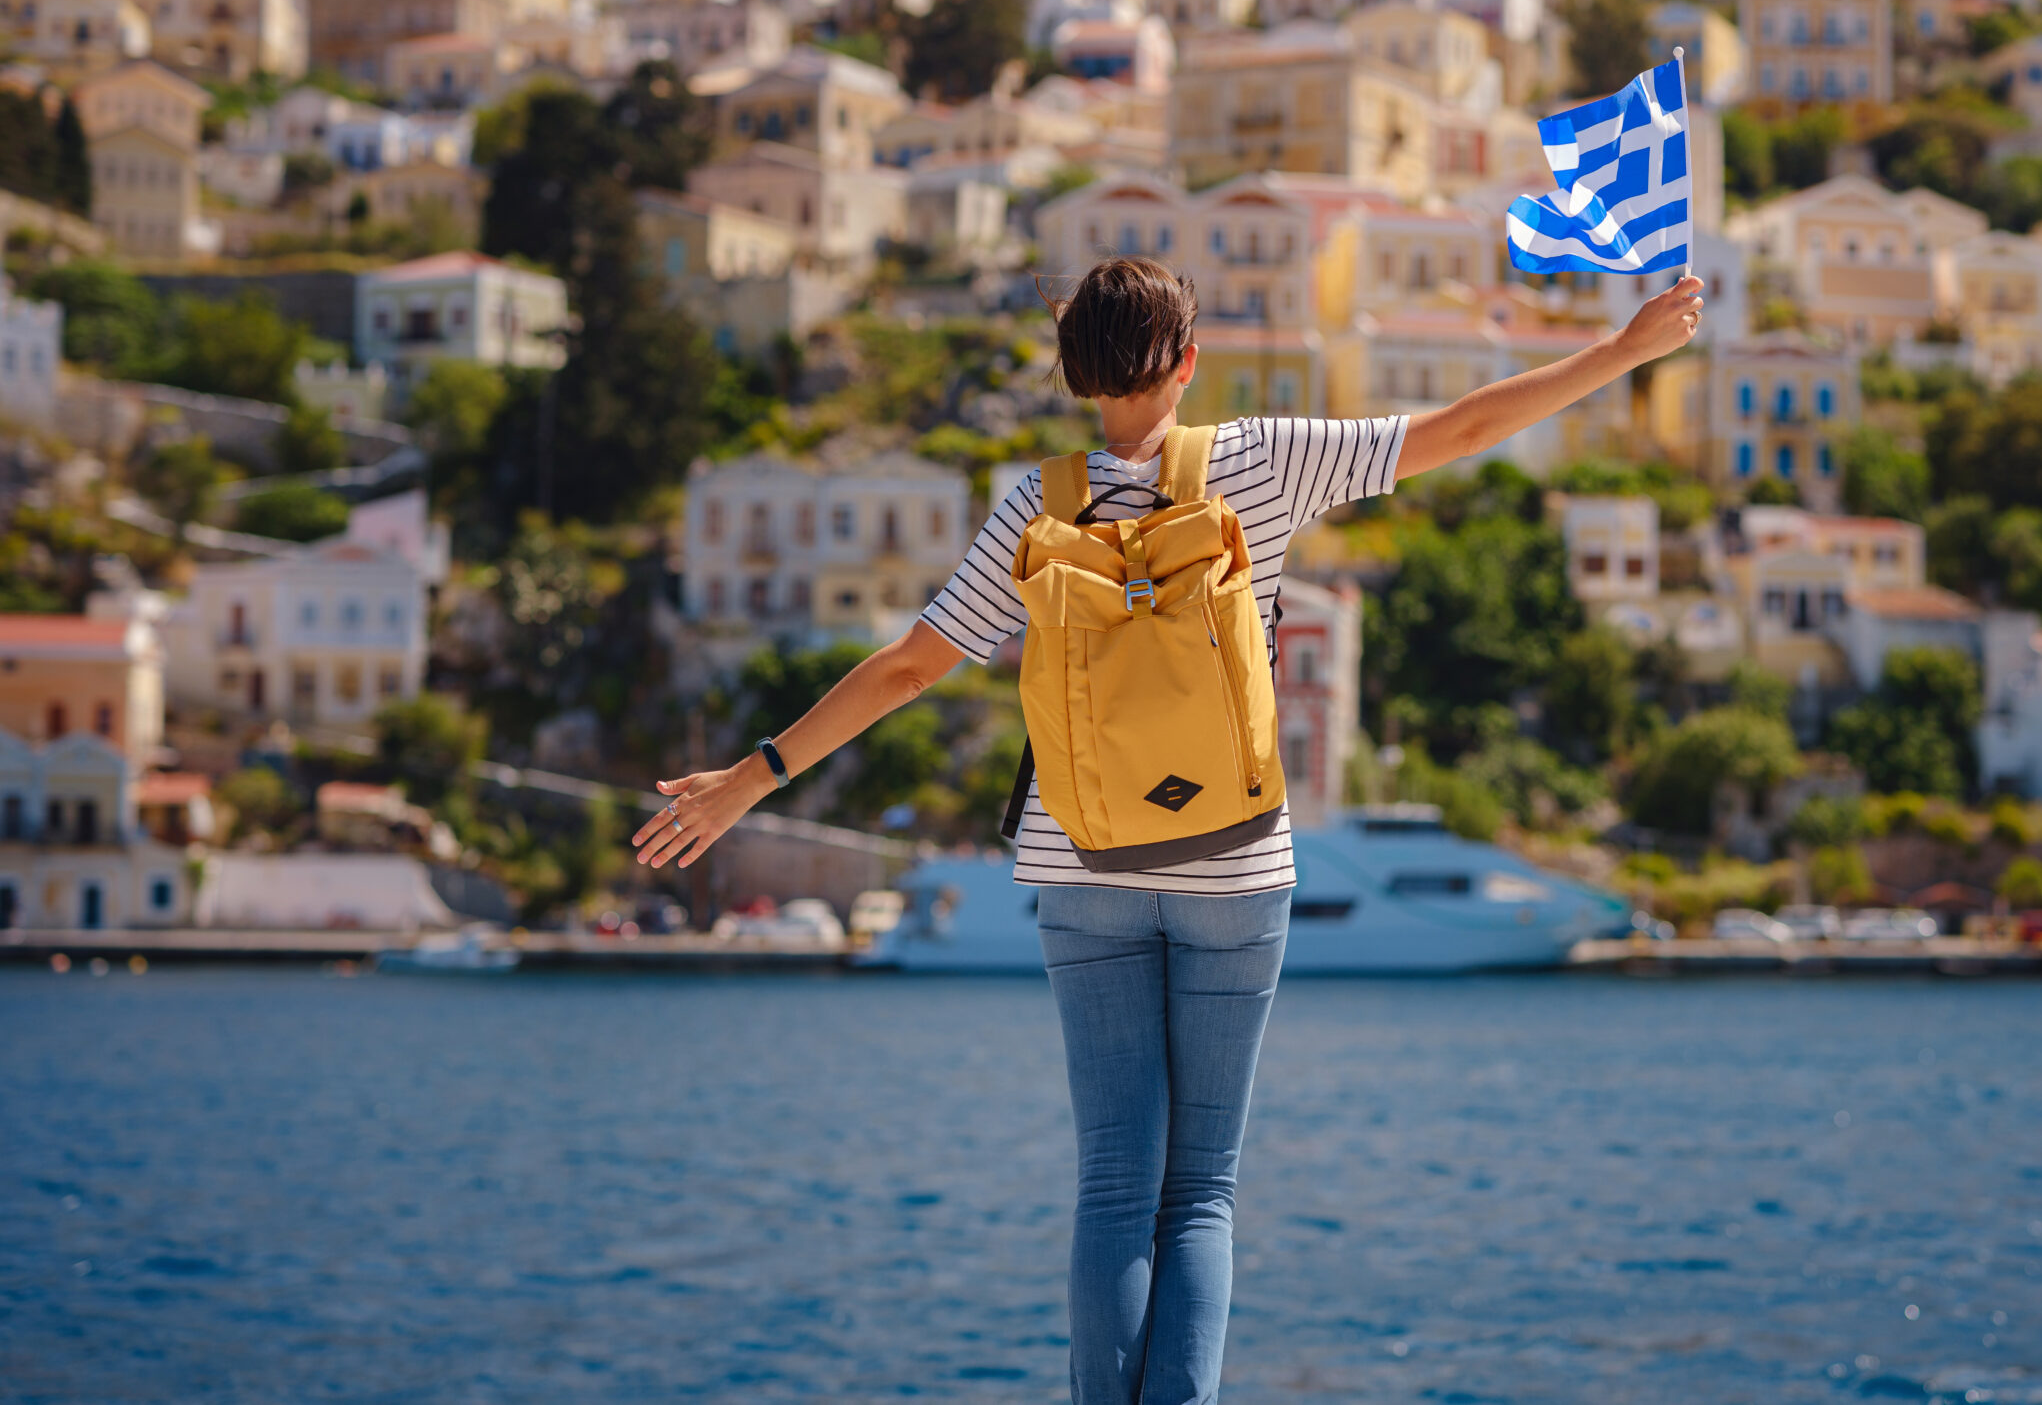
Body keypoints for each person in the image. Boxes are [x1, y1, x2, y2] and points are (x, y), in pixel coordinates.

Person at [637, 255, 1703, 1403]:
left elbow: (907, 668)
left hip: (1081, 861)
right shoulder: (1260, 460)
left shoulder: (1034, 504)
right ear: (1187, 361)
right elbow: (1464, 425)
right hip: (1237, 869)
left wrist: (756, 774)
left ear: (1072, 373)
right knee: (1199, 1189)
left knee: (1112, 1183)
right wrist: (1622, 352)